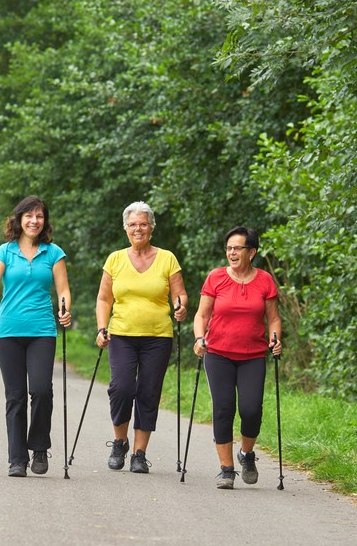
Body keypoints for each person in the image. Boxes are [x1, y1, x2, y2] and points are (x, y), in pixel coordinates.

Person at [0, 196, 72, 477]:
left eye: (39, 216)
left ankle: (40, 447)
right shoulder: (5, 252)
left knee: (42, 390)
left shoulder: (53, 252)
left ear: (45, 221)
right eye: (29, 216)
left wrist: (64, 309)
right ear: (19, 219)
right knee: (15, 396)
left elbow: (63, 290)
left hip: (42, 330)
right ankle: (17, 459)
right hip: (7, 332)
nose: (34, 221)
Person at [95, 202, 187, 473]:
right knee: (121, 389)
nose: (138, 229)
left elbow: (179, 293)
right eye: (133, 224)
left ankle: (139, 453)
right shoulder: (115, 259)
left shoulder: (167, 258)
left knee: (148, 392)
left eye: (143, 224)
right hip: (121, 334)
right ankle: (120, 441)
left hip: (158, 336)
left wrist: (180, 307)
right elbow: (103, 298)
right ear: (126, 227)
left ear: (151, 227)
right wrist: (102, 328)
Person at [192, 226, 282, 489]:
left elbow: (274, 318)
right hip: (218, 353)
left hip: (253, 355)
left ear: (251, 252)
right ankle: (227, 469)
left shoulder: (265, 280)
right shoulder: (216, 277)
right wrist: (199, 338)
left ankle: (246, 454)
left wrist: (275, 340)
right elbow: (201, 315)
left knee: (251, 410)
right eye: (229, 248)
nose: (231, 252)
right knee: (223, 408)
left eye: (237, 248)